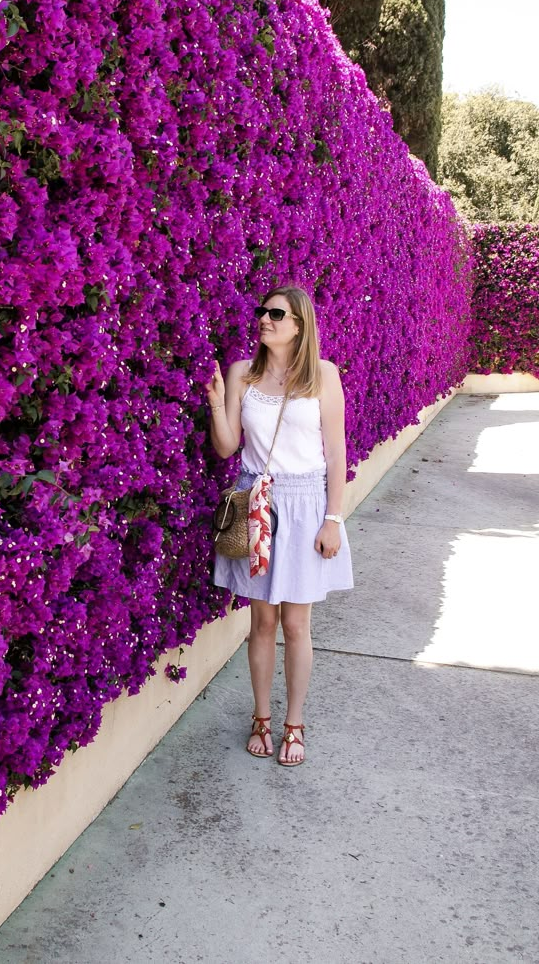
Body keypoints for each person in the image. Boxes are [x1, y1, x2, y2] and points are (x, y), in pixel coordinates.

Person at [206, 286, 353, 767]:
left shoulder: (323, 377)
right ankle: (262, 718)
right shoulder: (241, 376)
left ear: (299, 324)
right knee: (263, 622)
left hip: (307, 504)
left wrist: (333, 520)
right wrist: (214, 404)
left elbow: (337, 454)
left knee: (297, 622)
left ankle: (295, 724)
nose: (264, 320)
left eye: (276, 314)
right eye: (261, 312)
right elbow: (227, 448)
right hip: (258, 508)